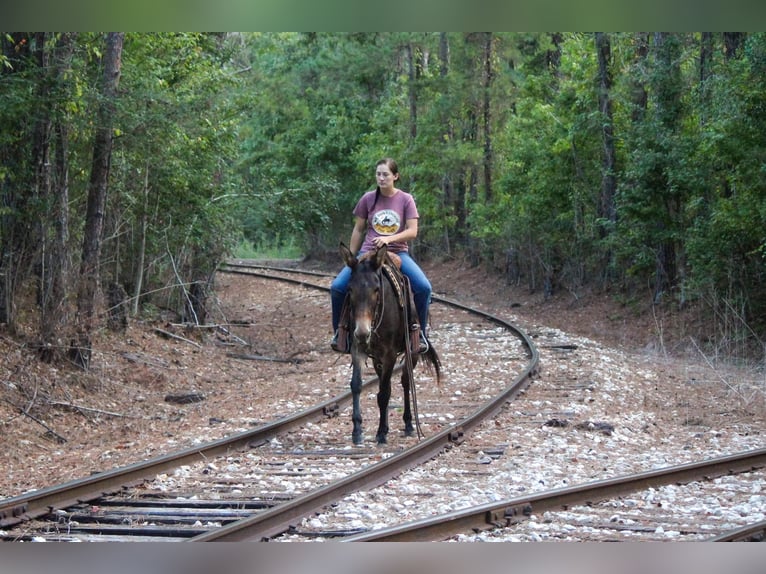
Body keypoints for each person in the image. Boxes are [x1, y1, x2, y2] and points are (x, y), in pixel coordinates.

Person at [330, 158, 432, 354]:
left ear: (395, 176)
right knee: (337, 288)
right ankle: (340, 333)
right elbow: (359, 229)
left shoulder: (405, 199)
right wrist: (353, 258)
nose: (381, 178)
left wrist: (389, 239)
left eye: (385, 174)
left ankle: (419, 334)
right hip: (367, 253)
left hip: (397, 252)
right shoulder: (368, 199)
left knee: (423, 288)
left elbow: (412, 231)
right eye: (378, 174)